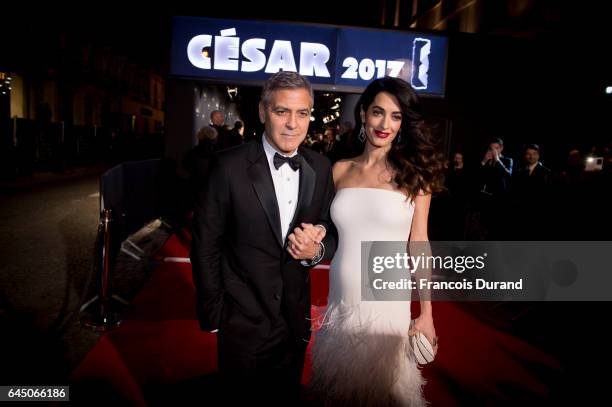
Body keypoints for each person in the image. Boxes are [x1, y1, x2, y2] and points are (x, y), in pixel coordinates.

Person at [190, 71, 338, 405]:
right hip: (241, 320)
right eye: (281, 111)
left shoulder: (320, 166)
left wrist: (315, 250)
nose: (292, 124)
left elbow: (331, 228)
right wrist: (214, 314)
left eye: (302, 113)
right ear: (262, 112)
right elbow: (205, 244)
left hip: (295, 321)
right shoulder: (227, 167)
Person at [310, 77, 444, 406]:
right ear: (363, 114)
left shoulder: (415, 174)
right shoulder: (338, 170)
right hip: (341, 298)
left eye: (396, 116)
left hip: (387, 298)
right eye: (378, 112)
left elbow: (420, 243)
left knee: (382, 391)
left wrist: (426, 313)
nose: (385, 124)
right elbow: (325, 230)